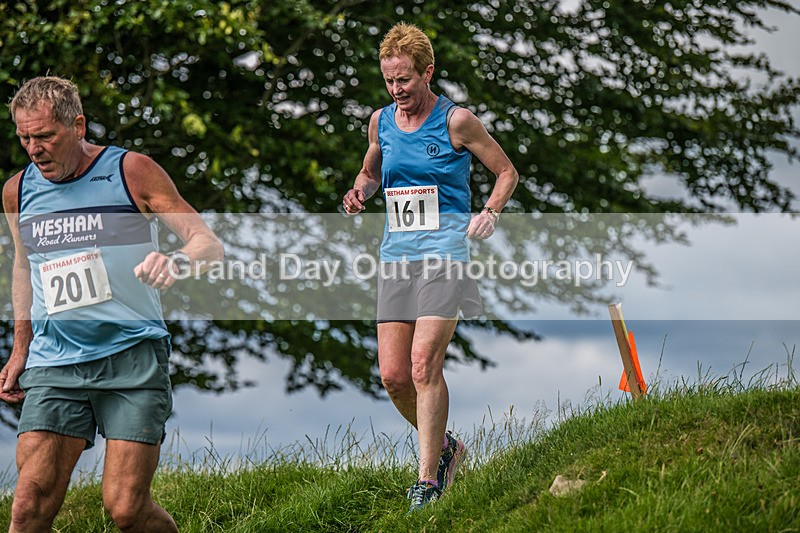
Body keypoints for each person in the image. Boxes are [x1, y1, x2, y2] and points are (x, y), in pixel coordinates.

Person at [0, 76, 224, 532]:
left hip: (132, 357)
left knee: (126, 509)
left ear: (77, 125)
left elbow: (207, 244)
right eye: (24, 137)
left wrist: (176, 263)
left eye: (45, 136)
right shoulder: (17, 191)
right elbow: (24, 268)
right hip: (55, 362)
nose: (34, 148)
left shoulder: (131, 171)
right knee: (28, 508)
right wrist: (21, 348)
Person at [342, 23, 519, 513]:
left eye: (405, 80)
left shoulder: (457, 121)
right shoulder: (381, 121)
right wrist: (361, 191)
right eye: (390, 81)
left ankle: (428, 480)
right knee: (394, 375)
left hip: (445, 255)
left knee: (424, 364)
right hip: (396, 257)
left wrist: (490, 211)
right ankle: (445, 447)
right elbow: (371, 170)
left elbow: (506, 171)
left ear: (427, 72)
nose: (397, 90)